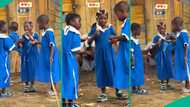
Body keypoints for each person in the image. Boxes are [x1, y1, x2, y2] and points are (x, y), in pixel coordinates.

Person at [88, 9, 120, 102]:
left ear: (107, 19)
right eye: (100, 18)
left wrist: (114, 40)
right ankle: (103, 93)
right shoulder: (94, 28)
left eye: (105, 18)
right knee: (101, 72)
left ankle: (118, 91)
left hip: (110, 54)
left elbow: (115, 38)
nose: (103, 20)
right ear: (97, 18)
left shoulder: (110, 28)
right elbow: (89, 41)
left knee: (113, 70)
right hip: (99, 55)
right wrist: (95, 35)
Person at [109, 1, 132, 99]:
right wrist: (115, 40)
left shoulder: (128, 23)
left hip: (126, 51)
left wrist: (115, 38)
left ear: (122, 12)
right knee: (120, 69)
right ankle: (119, 90)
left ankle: (129, 90)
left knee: (126, 69)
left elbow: (125, 37)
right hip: (123, 51)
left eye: (117, 14)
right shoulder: (124, 23)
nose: (116, 16)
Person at [36, 15, 60, 96]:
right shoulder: (45, 32)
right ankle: (52, 89)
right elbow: (45, 43)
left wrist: (51, 57)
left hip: (51, 54)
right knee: (50, 71)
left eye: (39, 24)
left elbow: (52, 45)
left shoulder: (49, 32)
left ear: (43, 23)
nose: (38, 25)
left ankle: (55, 90)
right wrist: (37, 42)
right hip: (47, 54)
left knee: (53, 71)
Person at [62, 13, 81, 107]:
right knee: (72, 80)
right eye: (79, 21)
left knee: (65, 80)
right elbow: (77, 50)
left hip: (63, 59)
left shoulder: (64, 30)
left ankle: (64, 102)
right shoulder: (76, 33)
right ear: (71, 22)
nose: (80, 24)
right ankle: (71, 103)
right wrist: (87, 53)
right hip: (70, 60)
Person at [152, 22, 174, 90]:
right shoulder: (156, 37)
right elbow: (152, 47)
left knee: (168, 68)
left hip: (168, 54)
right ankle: (162, 84)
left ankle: (167, 83)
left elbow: (173, 41)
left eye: (164, 29)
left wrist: (171, 39)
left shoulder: (168, 35)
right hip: (160, 55)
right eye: (161, 29)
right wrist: (157, 44)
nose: (162, 30)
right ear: (158, 29)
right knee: (161, 69)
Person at [19, 21, 40, 93]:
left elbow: (35, 41)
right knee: (26, 69)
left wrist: (30, 36)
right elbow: (22, 44)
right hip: (26, 55)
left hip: (33, 55)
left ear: (31, 27)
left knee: (33, 69)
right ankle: (26, 86)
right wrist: (20, 43)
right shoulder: (23, 36)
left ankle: (32, 86)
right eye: (24, 27)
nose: (25, 28)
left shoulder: (36, 34)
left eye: (27, 26)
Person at [172, 17, 190, 93]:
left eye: (173, 25)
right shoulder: (180, 33)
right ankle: (186, 85)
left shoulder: (183, 33)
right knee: (184, 70)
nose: (173, 27)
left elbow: (186, 45)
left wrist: (185, 56)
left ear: (177, 25)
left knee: (187, 70)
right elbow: (179, 43)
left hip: (184, 55)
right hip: (180, 55)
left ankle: (188, 87)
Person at [130, 23, 147, 94]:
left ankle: (134, 89)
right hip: (134, 60)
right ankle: (139, 89)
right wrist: (132, 61)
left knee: (138, 72)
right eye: (139, 30)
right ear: (134, 31)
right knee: (136, 73)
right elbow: (131, 51)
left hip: (139, 60)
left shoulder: (136, 39)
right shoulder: (131, 40)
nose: (140, 32)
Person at [0, 20, 15, 97]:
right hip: (3, 59)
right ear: (2, 28)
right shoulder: (5, 37)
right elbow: (11, 47)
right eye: (5, 26)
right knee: (4, 74)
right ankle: (3, 92)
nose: (7, 28)